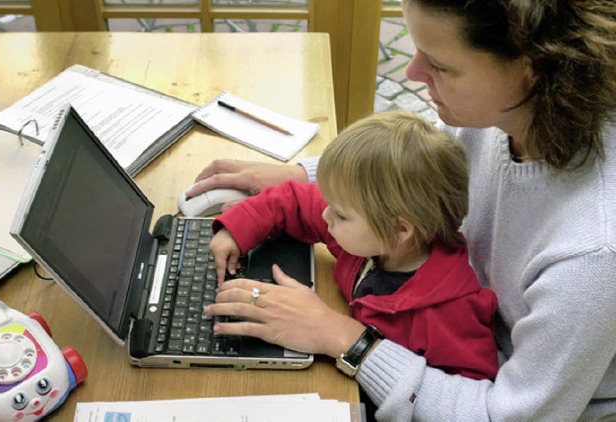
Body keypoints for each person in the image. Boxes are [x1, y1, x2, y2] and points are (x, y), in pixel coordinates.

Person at [200, 0, 616, 419]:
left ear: (534, 67)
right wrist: (301, 175)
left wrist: (345, 338)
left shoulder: (592, 254)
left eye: (441, 66)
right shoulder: (502, 114)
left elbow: (501, 415)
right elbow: (421, 161)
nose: (412, 72)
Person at [210, 111, 499, 386]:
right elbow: (297, 200)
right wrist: (237, 229)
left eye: (340, 213)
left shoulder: (450, 313)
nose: (326, 216)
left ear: (399, 230)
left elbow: (468, 388)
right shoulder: (373, 239)